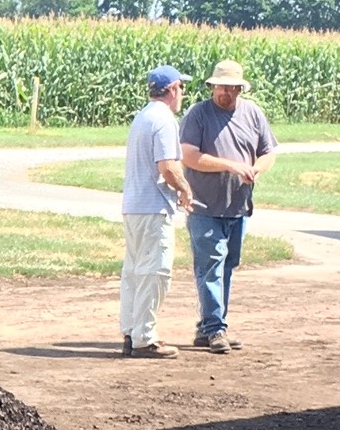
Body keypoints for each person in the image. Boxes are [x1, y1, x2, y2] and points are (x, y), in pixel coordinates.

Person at [179, 60, 277, 353]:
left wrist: (256, 169)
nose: (225, 92)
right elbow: (189, 156)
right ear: (212, 86)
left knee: (227, 266)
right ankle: (215, 329)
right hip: (204, 205)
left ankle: (209, 325)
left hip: (238, 206)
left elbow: (268, 151)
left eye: (231, 87)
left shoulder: (253, 114)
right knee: (211, 266)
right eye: (220, 86)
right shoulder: (198, 115)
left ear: (239, 88)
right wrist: (232, 166)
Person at [119, 64, 194, 359]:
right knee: (155, 273)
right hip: (152, 208)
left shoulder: (142, 116)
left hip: (134, 206)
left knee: (134, 273)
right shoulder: (164, 120)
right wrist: (185, 189)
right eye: (182, 88)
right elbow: (167, 165)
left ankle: (131, 331)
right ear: (173, 89)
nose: (183, 95)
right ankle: (144, 337)